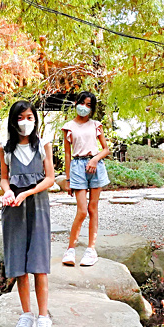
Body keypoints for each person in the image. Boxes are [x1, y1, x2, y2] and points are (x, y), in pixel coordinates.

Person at [0, 100, 56, 327]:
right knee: (19, 263)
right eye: (21, 118)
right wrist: (8, 191)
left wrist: (26, 192)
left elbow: (50, 179)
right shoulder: (5, 147)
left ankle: (43, 318)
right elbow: (3, 178)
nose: (26, 122)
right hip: (13, 208)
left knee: (39, 262)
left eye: (30, 117)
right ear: (14, 121)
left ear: (35, 119)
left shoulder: (43, 144)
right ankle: (26, 315)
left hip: (37, 204)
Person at [61, 91, 111, 267]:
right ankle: (70, 249)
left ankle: (91, 249)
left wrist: (95, 159)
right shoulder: (68, 127)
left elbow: (105, 149)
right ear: (76, 103)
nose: (85, 108)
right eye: (83, 103)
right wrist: (67, 179)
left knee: (93, 208)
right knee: (82, 210)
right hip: (77, 167)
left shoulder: (96, 125)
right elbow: (67, 154)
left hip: (95, 166)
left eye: (89, 105)